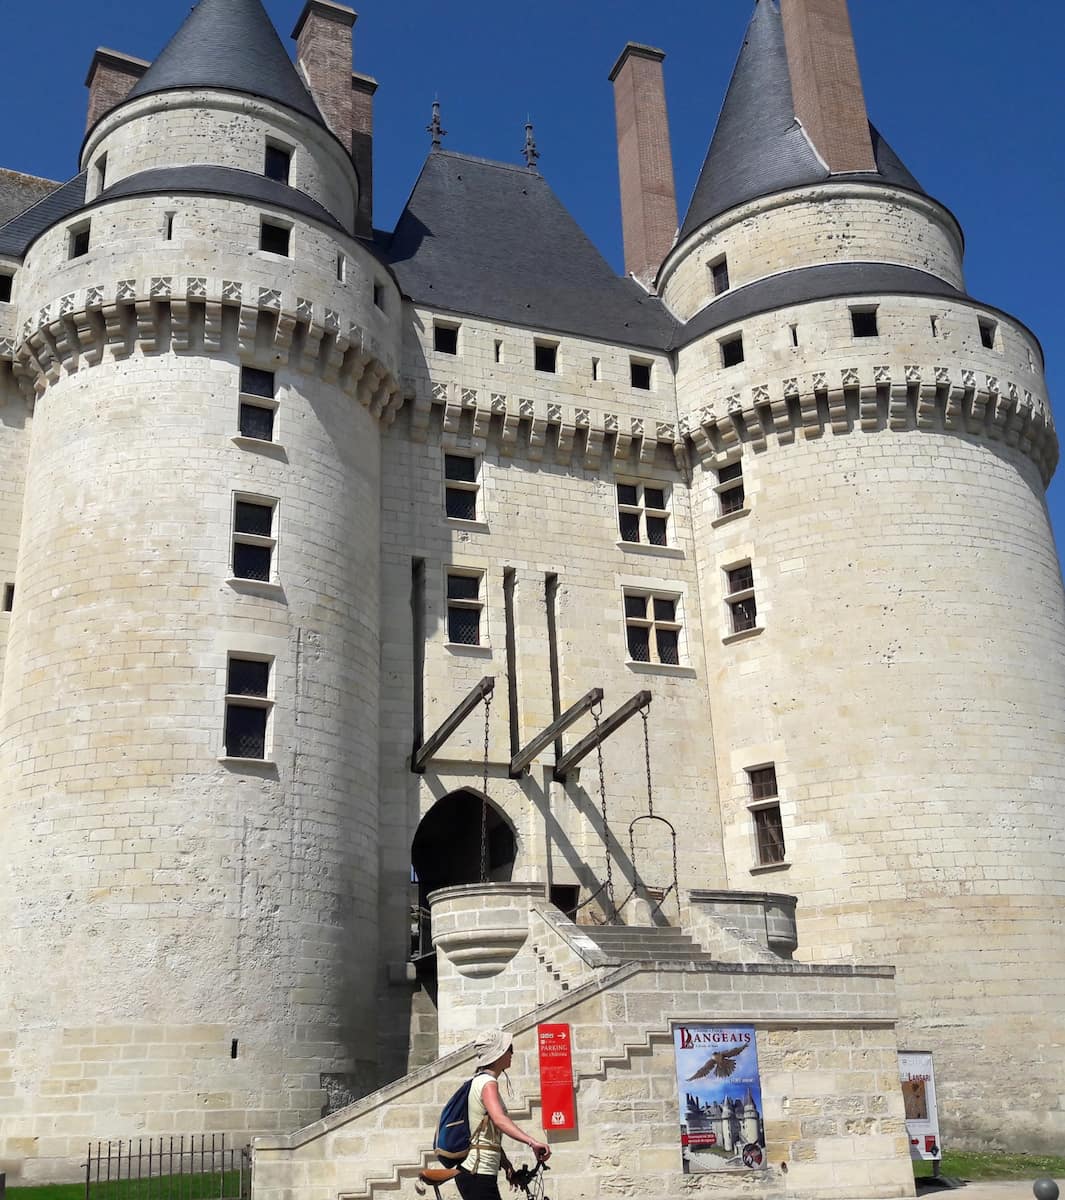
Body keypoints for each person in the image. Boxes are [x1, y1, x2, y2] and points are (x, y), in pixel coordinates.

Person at [457, 1030, 551, 1199]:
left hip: (480, 1173)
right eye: (509, 1048)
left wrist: (506, 1165)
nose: (512, 1053)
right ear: (498, 1054)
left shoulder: (481, 1081)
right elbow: (500, 1120)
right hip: (477, 1173)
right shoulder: (488, 1083)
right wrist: (532, 1142)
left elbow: (487, 1135)